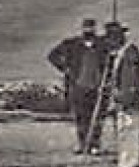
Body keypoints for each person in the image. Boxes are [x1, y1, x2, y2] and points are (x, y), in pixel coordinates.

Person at [47, 18, 109, 154]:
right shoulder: (72, 44)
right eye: (86, 28)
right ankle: (82, 143)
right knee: (81, 117)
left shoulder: (102, 45)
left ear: (95, 29)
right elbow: (52, 55)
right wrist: (65, 68)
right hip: (79, 86)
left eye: (91, 28)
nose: (88, 31)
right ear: (82, 29)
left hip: (98, 87)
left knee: (97, 116)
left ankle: (95, 144)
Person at [109, 21, 139, 167]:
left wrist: (125, 98)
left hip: (130, 98)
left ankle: (128, 164)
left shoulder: (129, 53)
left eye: (113, 37)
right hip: (126, 98)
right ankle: (132, 159)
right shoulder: (121, 53)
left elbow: (131, 80)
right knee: (127, 131)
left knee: (128, 131)